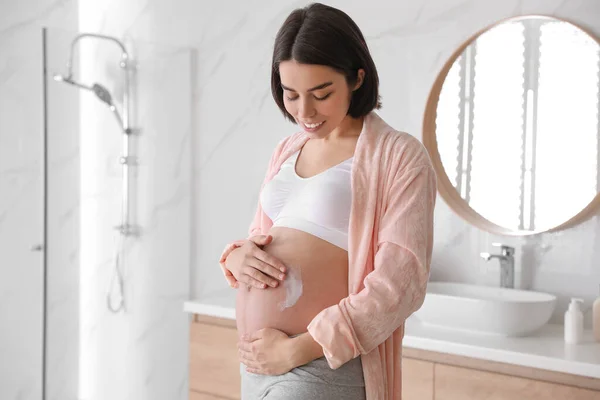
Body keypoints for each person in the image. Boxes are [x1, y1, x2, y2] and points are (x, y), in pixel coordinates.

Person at [218, 3, 436, 399]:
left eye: (321, 94)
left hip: (318, 365)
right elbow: (261, 237)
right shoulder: (288, 148)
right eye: (291, 95)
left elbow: (400, 285)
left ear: (357, 77)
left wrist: (296, 348)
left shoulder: (399, 156)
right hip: (257, 366)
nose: (305, 112)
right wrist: (236, 256)